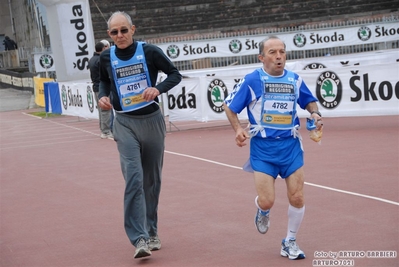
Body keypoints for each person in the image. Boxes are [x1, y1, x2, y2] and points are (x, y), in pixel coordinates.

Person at [223, 35, 323, 260]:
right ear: (261, 57)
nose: (279, 56)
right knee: (268, 199)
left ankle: (290, 241)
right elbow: (229, 107)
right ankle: (263, 210)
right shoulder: (252, 80)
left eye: (282, 52)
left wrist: (315, 113)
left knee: (297, 197)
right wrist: (238, 129)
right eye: (272, 52)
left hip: (291, 146)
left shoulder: (295, 80)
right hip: (263, 149)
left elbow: (309, 100)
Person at [98, 11, 182, 259]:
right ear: (109, 35)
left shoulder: (150, 52)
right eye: (114, 32)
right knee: (133, 179)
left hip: (152, 121)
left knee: (151, 181)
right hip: (124, 123)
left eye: (124, 30)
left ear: (133, 29)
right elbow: (102, 82)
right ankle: (140, 238)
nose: (120, 36)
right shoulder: (106, 57)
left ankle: (152, 230)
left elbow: (175, 74)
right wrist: (102, 96)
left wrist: (158, 88)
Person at [88, 41, 114, 139]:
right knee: (105, 110)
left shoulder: (92, 59)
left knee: (101, 110)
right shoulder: (101, 60)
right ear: (103, 48)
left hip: (96, 86)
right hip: (102, 87)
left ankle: (104, 129)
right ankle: (106, 131)